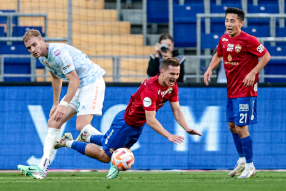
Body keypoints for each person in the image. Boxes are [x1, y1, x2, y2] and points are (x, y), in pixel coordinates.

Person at [54, 57, 202, 179]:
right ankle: (67, 141)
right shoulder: (151, 89)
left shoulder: (172, 86)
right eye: (172, 74)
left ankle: (87, 136)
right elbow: (151, 119)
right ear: (162, 71)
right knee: (105, 156)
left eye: (177, 74)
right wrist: (168, 135)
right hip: (125, 123)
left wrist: (186, 127)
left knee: (120, 148)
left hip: (137, 125)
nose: (175, 77)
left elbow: (176, 109)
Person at [17, 29, 106, 179]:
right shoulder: (42, 58)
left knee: (82, 127)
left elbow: (75, 80)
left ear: (42, 41)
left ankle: (115, 146)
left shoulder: (58, 53)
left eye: (34, 45)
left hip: (91, 82)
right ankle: (42, 168)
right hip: (79, 85)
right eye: (29, 48)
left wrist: (64, 104)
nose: (32, 50)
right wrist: (56, 103)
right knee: (53, 121)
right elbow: (56, 78)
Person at [203, 7, 270, 178]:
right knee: (232, 126)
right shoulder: (224, 39)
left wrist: (253, 72)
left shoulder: (249, 40)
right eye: (226, 20)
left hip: (245, 90)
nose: (228, 24)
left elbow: (267, 56)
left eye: (232, 21)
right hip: (231, 90)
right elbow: (219, 54)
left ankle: (250, 165)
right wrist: (210, 68)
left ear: (241, 23)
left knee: (241, 128)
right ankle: (241, 160)